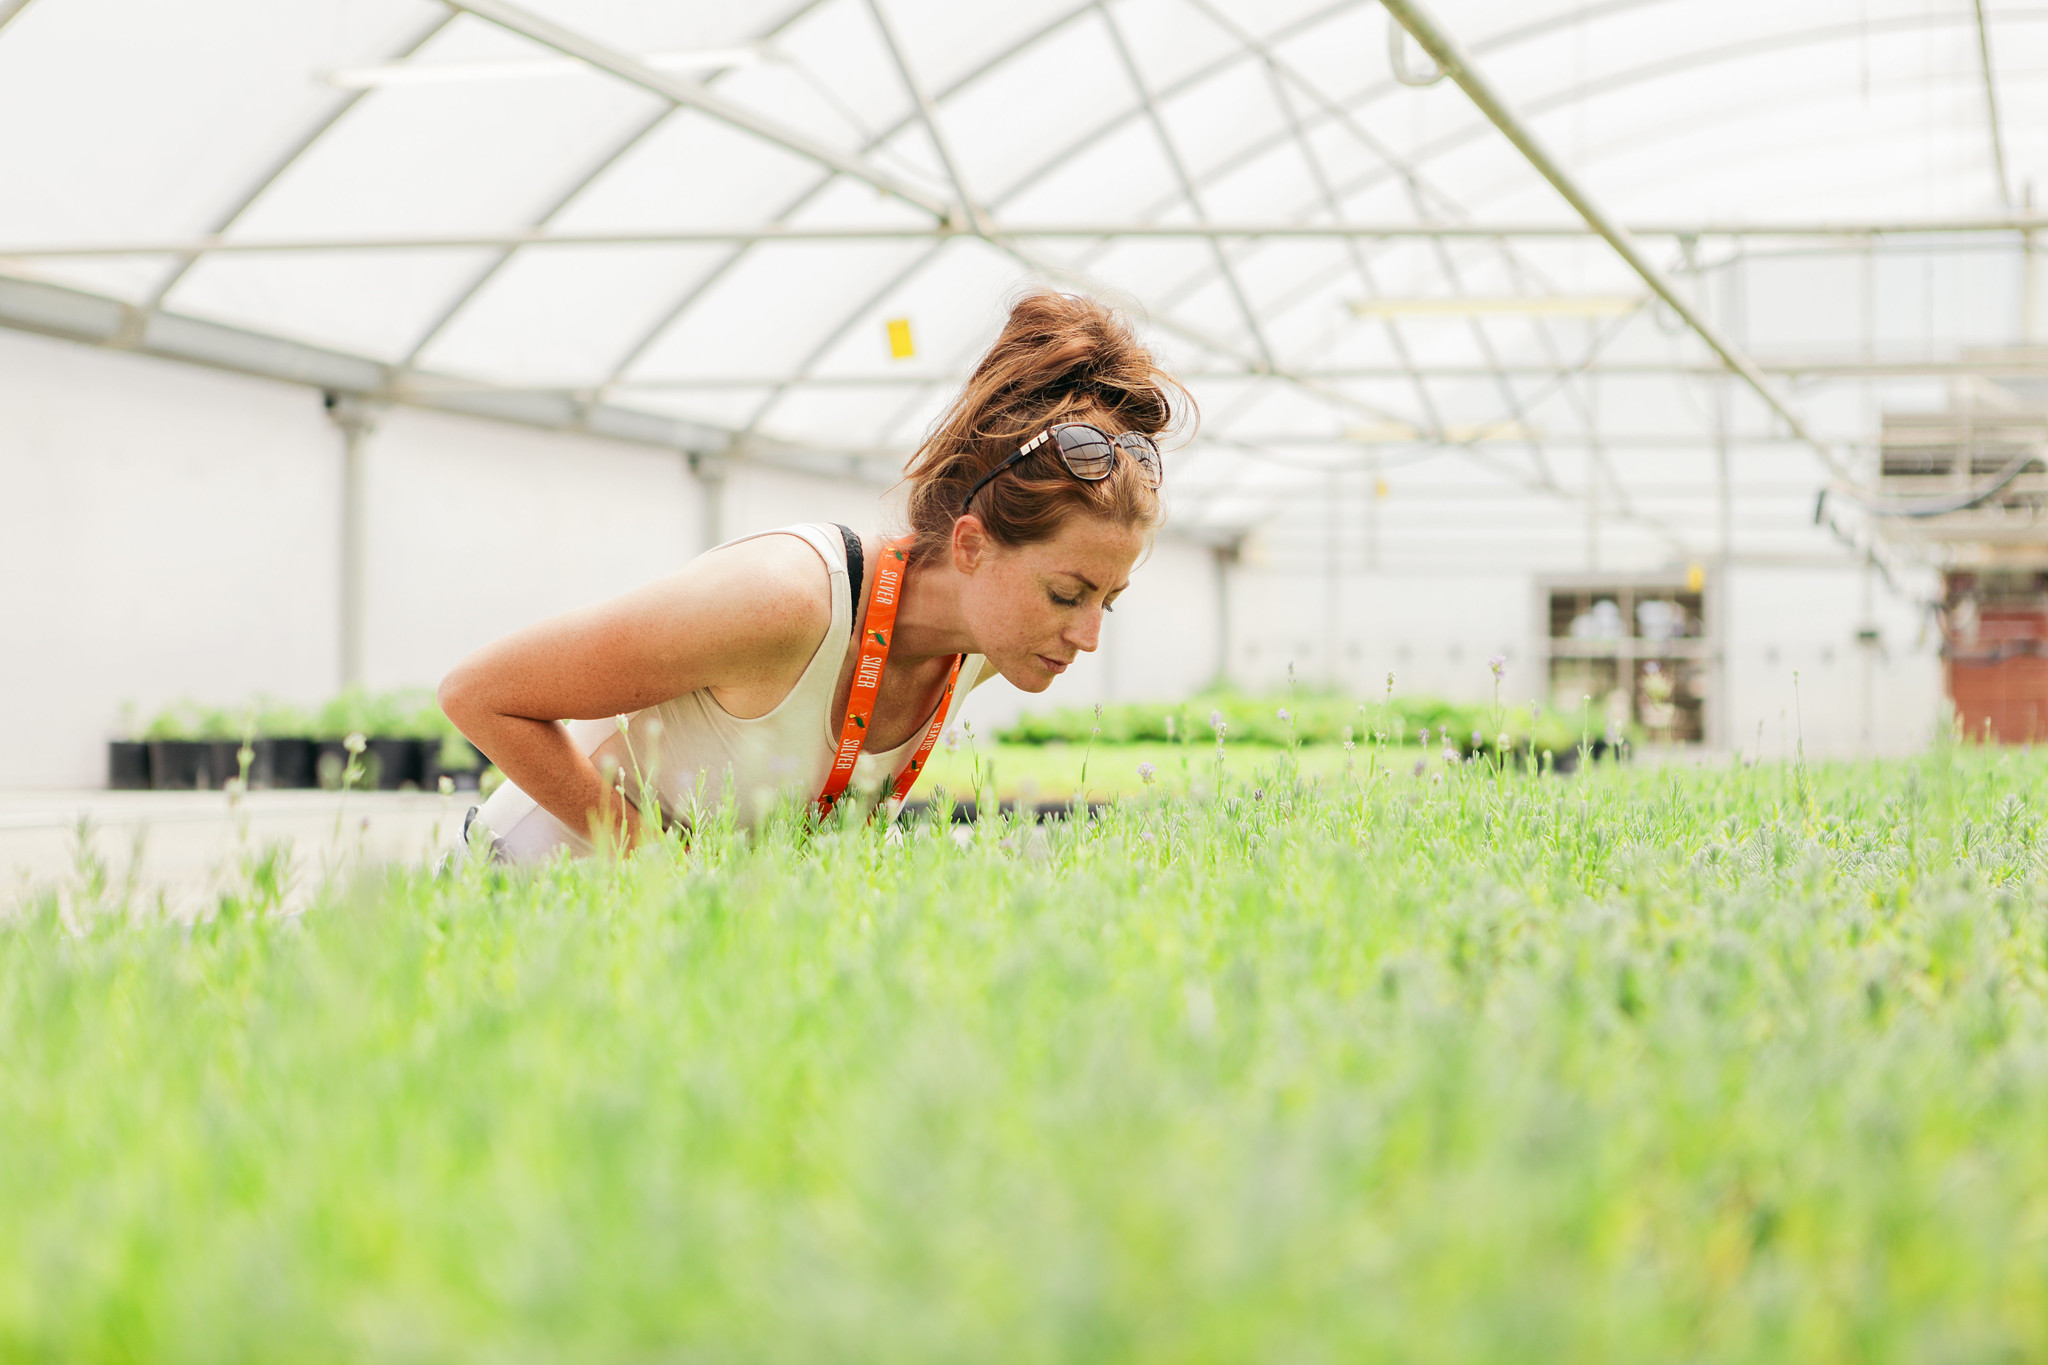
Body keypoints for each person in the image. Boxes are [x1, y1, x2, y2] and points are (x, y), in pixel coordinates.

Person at [439, 291, 1192, 862]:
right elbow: (481, 696)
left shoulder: (984, 649)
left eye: (1108, 602)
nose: (1088, 634)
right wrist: (663, 876)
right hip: (515, 905)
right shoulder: (789, 599)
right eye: (1067, 593)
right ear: (969, 546)